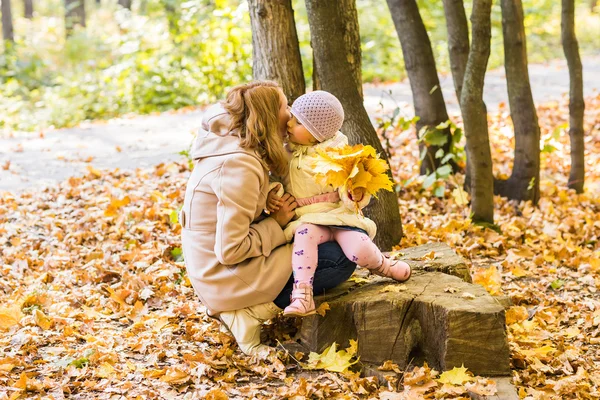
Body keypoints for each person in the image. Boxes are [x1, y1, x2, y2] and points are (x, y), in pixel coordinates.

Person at [179, 81, 356, 356]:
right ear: (269, 117)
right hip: (223, 276)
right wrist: (278, 223)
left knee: (326, 246)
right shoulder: (239, 164)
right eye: (285, 106)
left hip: (218, 268)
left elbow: (239, 209)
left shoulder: (233, 142)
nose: (290, 113)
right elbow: (230, 249)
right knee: (340, 257)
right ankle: (247, 313)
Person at [266, 91, 411, 317]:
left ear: (316, 134)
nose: (290, 123)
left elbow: (352, 184)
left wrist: (355, 193)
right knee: (304, 238)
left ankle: (383, 265)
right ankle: (302, 295)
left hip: (339, 216)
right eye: (292, 116)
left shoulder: (337, 153)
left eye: (298, 122)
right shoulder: (286, 153)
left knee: (359, 248)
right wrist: (272, 193)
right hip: (308, 217)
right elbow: (274, 179)